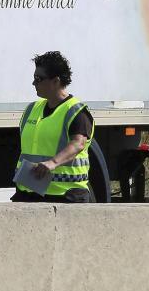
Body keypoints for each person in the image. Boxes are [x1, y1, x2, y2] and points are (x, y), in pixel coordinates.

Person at [12, 51, 95, 203]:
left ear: (56, 81)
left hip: (65, 196)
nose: (34, 83)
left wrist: (52, 163)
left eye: (39, 79)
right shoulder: (32, 109)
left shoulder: (76, 111)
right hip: (29, 193)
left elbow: (78, 143)